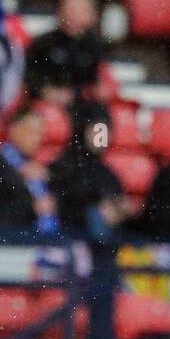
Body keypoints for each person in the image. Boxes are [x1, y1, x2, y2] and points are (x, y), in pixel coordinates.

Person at [47, 101, 131, 241]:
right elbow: (55, 207)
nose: (103, 137)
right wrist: (94, 213)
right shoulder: (63, 166)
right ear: (84, 130)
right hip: (69, 240)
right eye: (99, 130)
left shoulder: (108, 173)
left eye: (107, 131)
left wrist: (122, 211)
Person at [0, 106, 60, 233]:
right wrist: (33, 208)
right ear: (13, 129)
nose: (37, 138)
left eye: (40, 133)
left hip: (42, 239)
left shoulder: (39, 169)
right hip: (13, 243)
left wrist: (49, 176)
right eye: (31, 131)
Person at [23, 0, 104, 107]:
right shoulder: (43, 43)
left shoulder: (96, 47)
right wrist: (47, 91)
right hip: (45, 105)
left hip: (82, 106)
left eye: (77, 10)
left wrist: (76, 93)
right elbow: (30, 77)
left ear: (92, 15)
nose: (70, 14)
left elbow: (99, 86)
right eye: (67, 8)